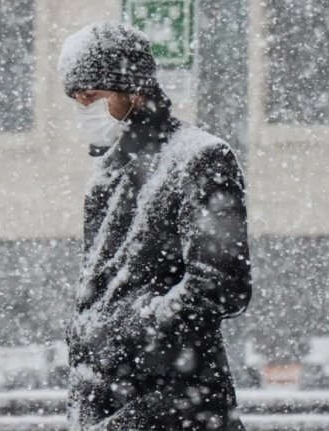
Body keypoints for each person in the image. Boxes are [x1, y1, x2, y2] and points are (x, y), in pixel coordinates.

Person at [57, 21, 252, 430]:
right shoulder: (108, 173)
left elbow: (220, 286)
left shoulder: (199, 158)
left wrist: (125, 335)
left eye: (94, 95)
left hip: (171, 403)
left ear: (134, 89)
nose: (84, 108)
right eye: (77, 99)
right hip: (111, 399)